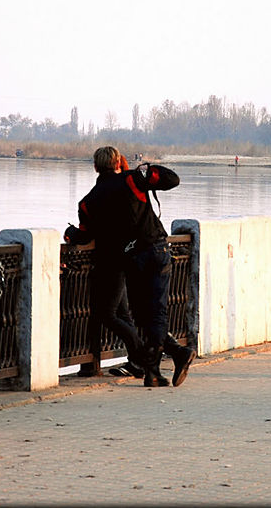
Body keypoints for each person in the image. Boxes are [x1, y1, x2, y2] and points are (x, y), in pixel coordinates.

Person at [65, 146, 195, 387]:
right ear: (118, 162)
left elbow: (84, 234)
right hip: (155, 249)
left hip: (129, 259)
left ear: (95, 167)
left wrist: (69, 234)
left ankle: (155, 371)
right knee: (155, 313)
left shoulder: (88, 202)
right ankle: (171, 357)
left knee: (143, 316)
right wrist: (147, 170)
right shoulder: (133, 179)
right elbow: (172, 179)